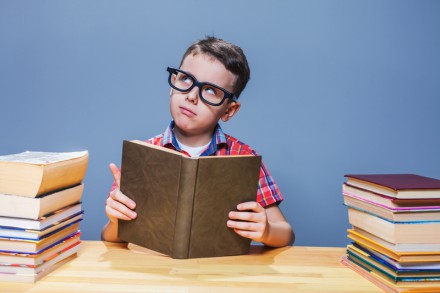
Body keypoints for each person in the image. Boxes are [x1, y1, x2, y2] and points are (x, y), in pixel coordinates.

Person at [101, 36, 294, 247]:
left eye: (210, 90)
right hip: (154, 271)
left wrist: (266, 230)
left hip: (218, 273)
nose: (192, 96)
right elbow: (108, 236)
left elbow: (286, 235)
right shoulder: (143, 154)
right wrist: (115, 220)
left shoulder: (244, 157)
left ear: (229, 110)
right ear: (173, 83)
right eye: (185, 79)